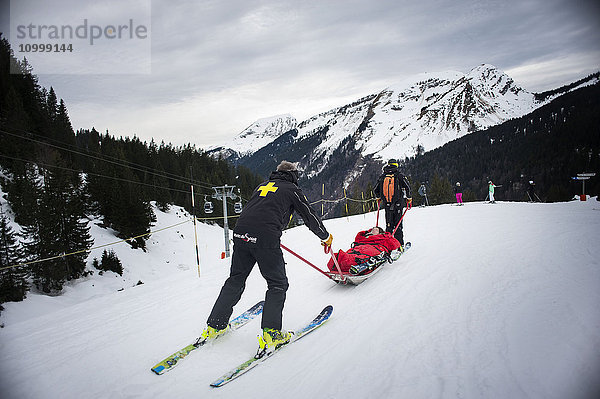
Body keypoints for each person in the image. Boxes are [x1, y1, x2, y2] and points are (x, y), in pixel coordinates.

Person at [200, 161, 332, 354]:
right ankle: (271, 334)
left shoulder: (262, 186)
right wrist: (325, 237)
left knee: (235, 279)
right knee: (277, 283)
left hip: (240, 233)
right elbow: (309, 215)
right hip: (265, 238)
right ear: (294, 175)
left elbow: (257, 211)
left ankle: (215, 326)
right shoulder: (292, 189)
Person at [327, 226, 401, 274]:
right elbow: (357, 237)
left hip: (375, 247)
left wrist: (387, 236)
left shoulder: (383, 237)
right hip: (360, 246)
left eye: (375, 229)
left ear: (380, 232)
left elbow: (395, 244)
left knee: (363, 255)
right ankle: (339, 262)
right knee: (351, 253)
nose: (372, 230)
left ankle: (357, 264)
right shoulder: (364, 236)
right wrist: (366, 233)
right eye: (372, 229)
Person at [374, 159, 412, 246]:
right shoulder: (399, 176)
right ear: (396, 165)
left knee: (389, 225)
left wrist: (379, 197)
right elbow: (408, 187)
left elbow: (375, 189)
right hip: (398, 204)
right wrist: (409, 198)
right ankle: (399, 245)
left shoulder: (382, 176)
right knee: (398, 225)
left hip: (387, 204)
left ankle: (388, 244)